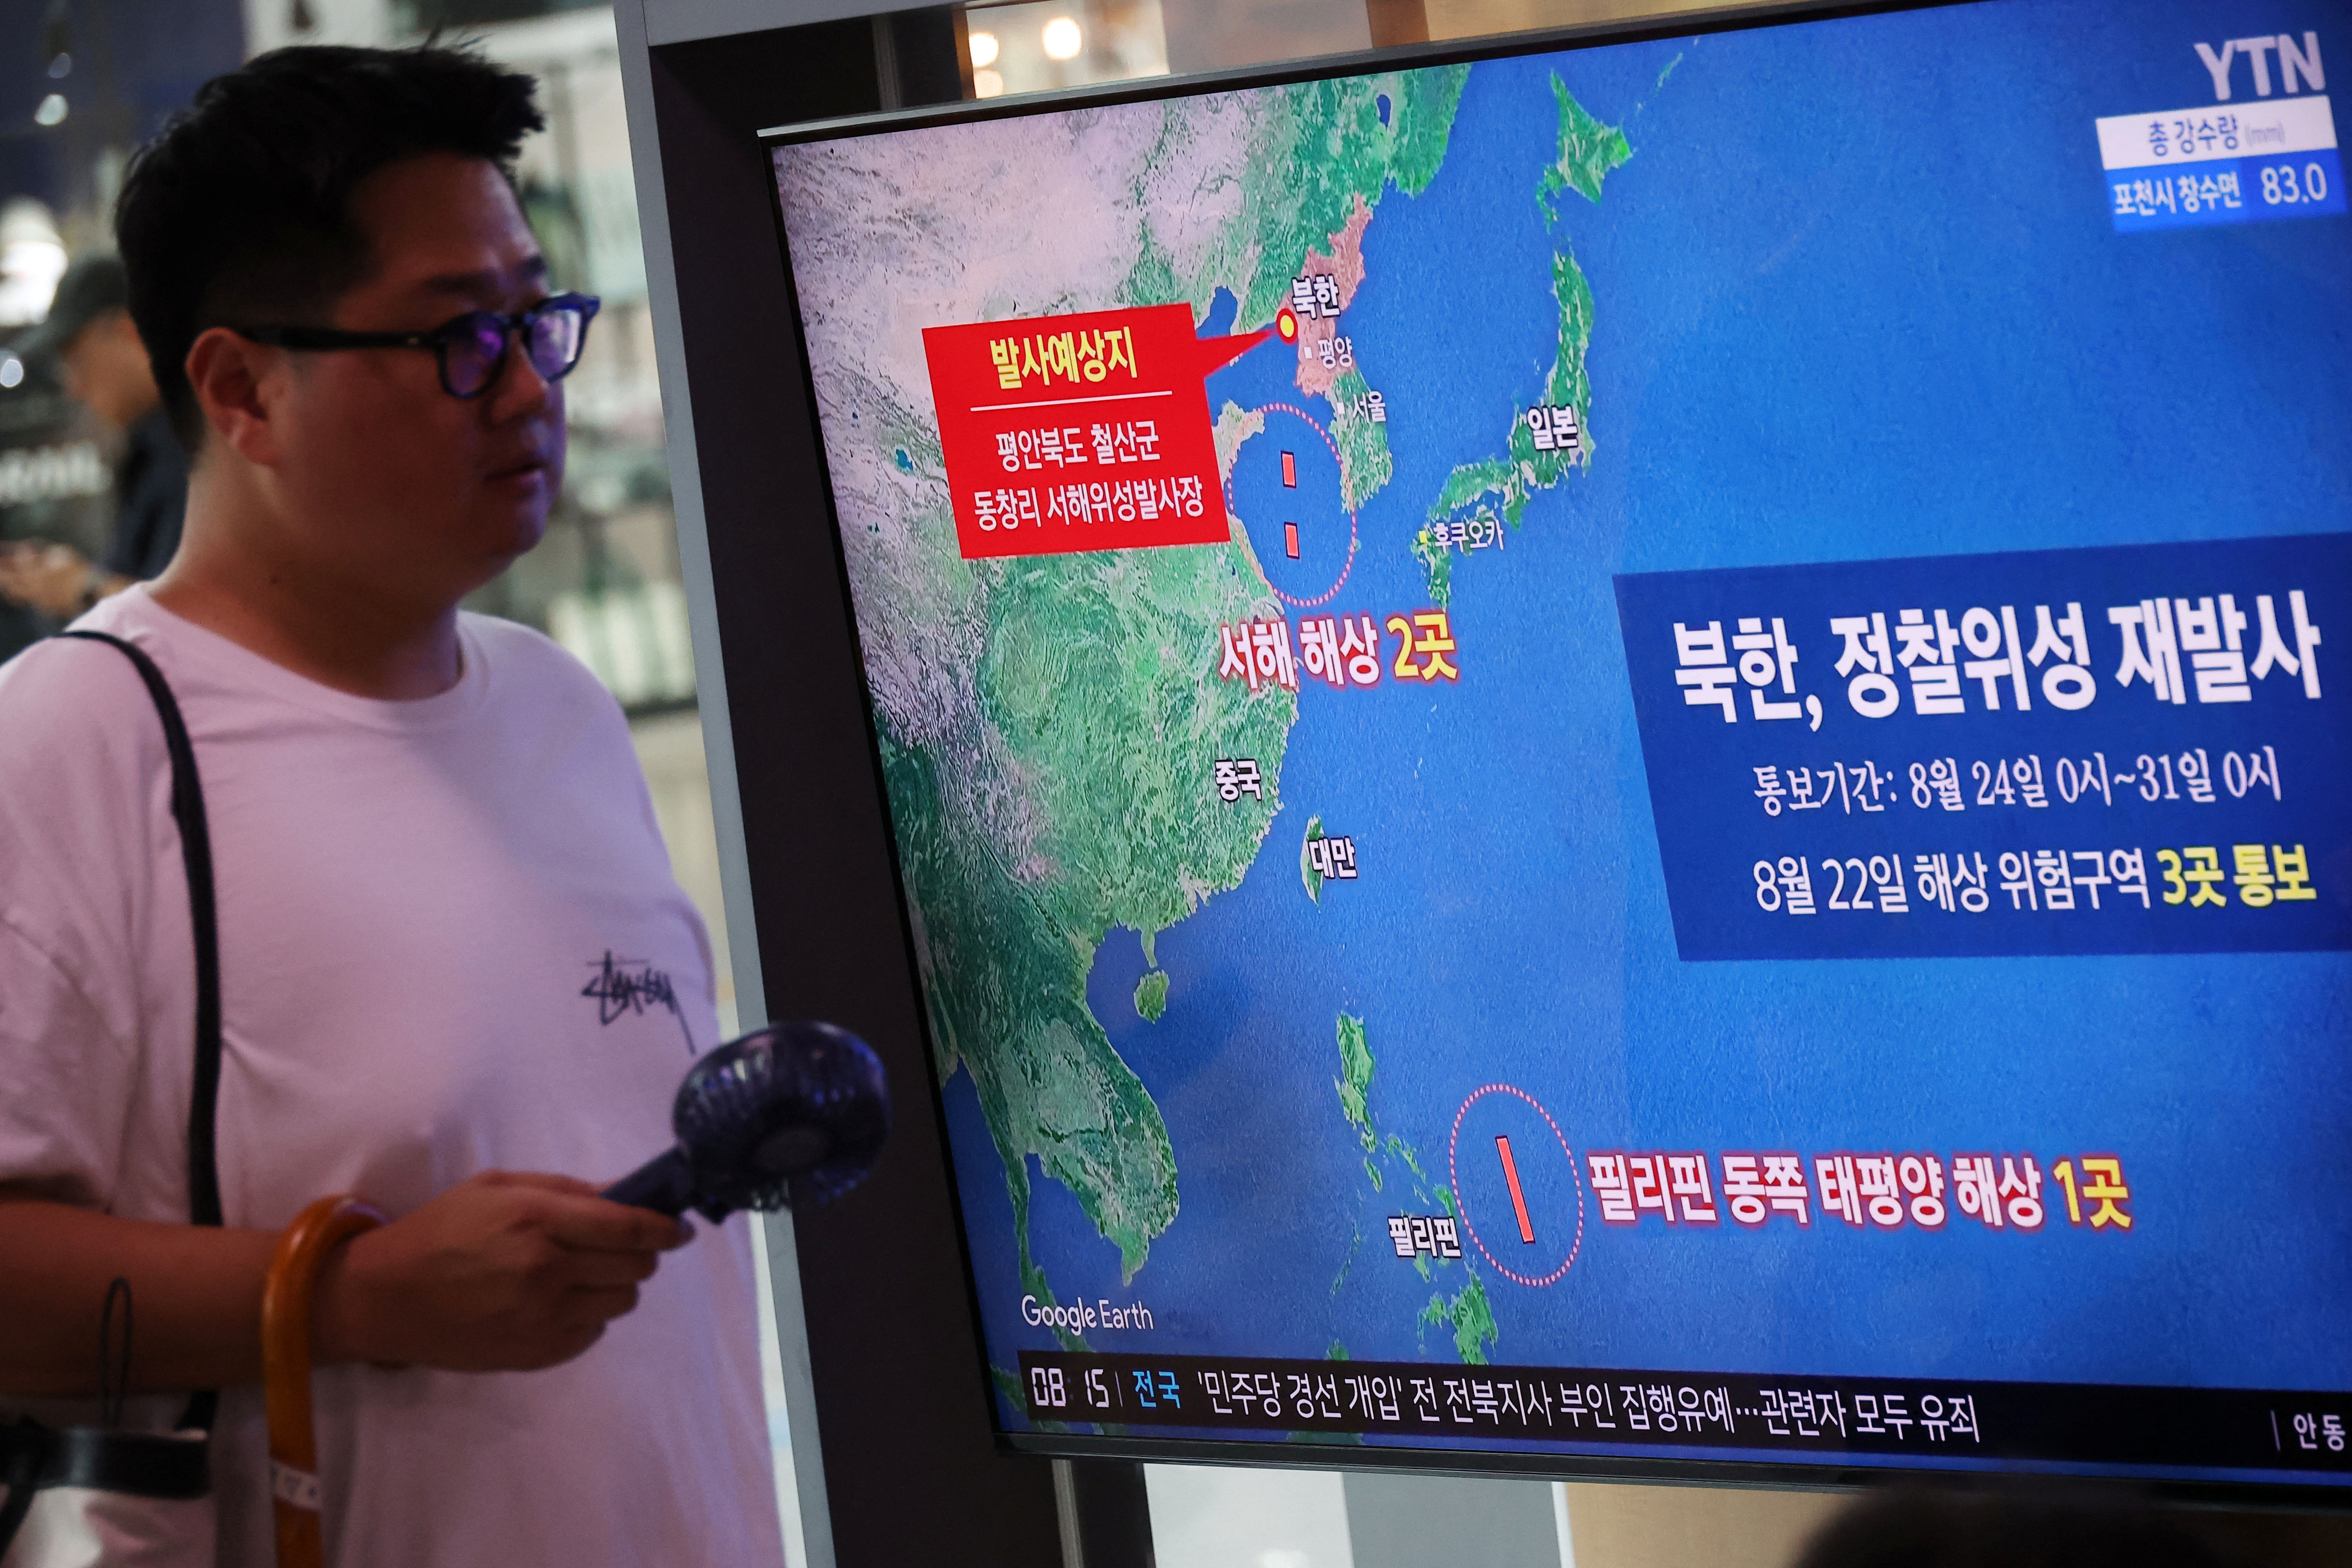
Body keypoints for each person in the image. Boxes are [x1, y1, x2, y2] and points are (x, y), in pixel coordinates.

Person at [0, 45, 784, 1568]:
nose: (524, 387)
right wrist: (348, 1298)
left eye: (534, 317)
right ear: (240, 388)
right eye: (454, 338)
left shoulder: (554, 705)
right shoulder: (81, 740)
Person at [0, 253, 190, 617]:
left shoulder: (201, 448)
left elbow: (204, 621)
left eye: (77, 359)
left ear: (127, 330)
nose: (74, 386)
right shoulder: (150, 446)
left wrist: (82, 588)